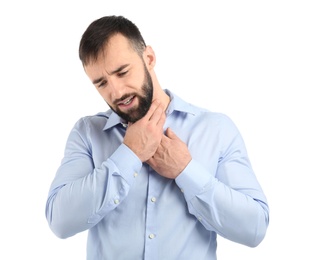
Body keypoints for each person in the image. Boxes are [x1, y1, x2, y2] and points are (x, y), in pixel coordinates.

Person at [45, 15, 269, 260]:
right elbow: (60, 221)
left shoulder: (215, 129)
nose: (116, 91)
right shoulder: (87, 134)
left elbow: (254, 229)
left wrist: (186, 170)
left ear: (149, 58)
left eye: (122, 72)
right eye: (101, 83)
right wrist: (128, 153)